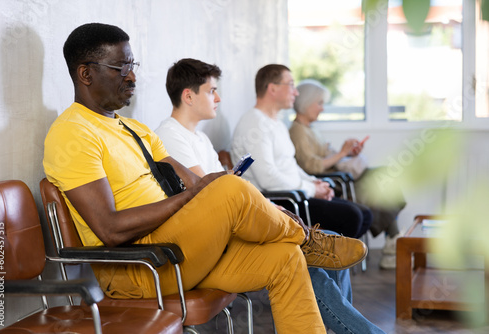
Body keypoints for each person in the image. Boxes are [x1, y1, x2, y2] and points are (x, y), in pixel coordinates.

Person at [43, 23, 368, 334]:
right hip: (139, 268)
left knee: (285, 257)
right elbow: (110, 229)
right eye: (120, 67)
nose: (132, 76)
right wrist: (195, 196)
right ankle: (305, 239)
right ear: (85, 73)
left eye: (133, 65)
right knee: (227, 186)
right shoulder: (72, 133)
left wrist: (254, 206)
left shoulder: (135, 129)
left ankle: (298, 242)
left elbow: (196, 185)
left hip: (178, 249)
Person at [156, 57, 386, 334]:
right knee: (309, 262)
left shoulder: (200, 139)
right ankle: (305, 241)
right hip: (210, 242)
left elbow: (227, 185)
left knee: (332, 247)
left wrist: (266, 205)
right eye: (211, 91)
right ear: (189, 96)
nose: (218, 98)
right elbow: (207, 191)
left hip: (228, 228)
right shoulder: (170, 136)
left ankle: (306, 244)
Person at [231, 64, 372, 240]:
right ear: (272, 88)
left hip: (295, 192)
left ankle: (329, 261)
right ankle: (320, 261)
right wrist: (311, 189)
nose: (296, 92)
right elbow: (267, 178)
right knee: (353, 216)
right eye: (290, 84)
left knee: (364, 214)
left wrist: (315, 182)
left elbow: (291, 165)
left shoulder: (276, 123)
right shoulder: (255, 124)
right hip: (281, 201)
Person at [290, 79, 407, 269]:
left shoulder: (310, 130)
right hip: (331, 183)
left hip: (338, 177)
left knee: (386, 176)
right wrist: (342, 153)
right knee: (383, 181)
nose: (322, 109)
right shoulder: (298, 132)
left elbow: (331, 158)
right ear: (305, 103)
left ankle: (392, 241)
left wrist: (348, 153)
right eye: (319, 103)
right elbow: (311, 166)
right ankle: (392, 242)